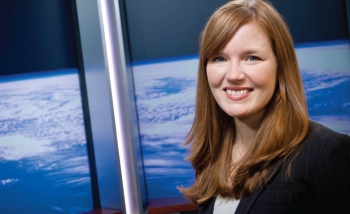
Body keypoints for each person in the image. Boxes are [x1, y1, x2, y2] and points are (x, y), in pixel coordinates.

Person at [179, 0, 350, 213]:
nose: (233, 75)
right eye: (219, 58)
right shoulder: (212, 156)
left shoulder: (326, 152)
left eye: (251, 58)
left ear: (280, 66)